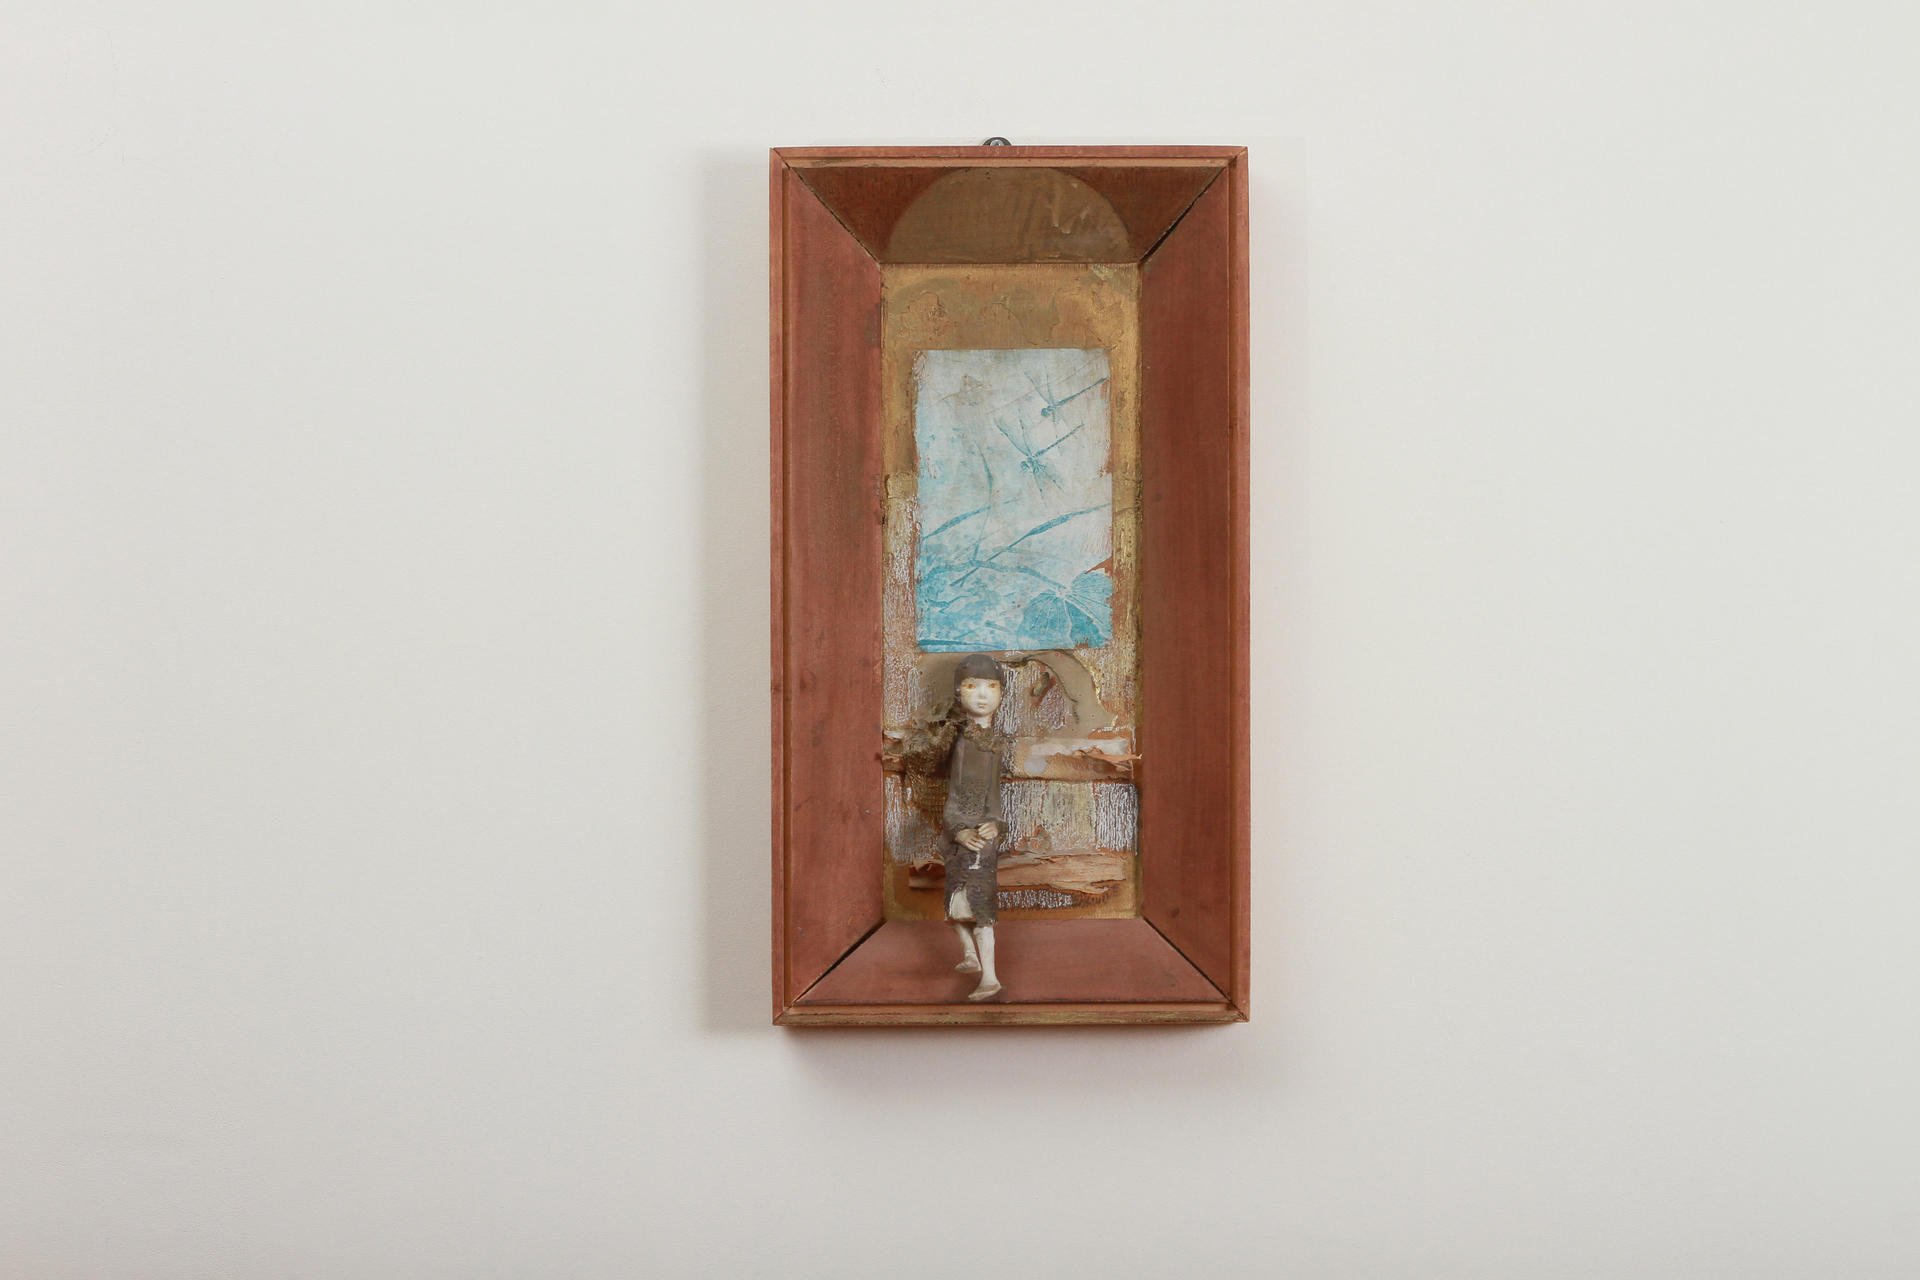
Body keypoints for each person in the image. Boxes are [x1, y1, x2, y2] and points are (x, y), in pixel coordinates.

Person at [939, 653, 1009, 1000]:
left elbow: (994, 796)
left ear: (1001, 694)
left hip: (981, 837)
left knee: (981, 907)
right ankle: (970, 955)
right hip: (959, 834)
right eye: (972, 686)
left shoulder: (994, 743)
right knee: (954, 905)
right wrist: (957, 830)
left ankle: (990, 978)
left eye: (991, 687)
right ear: (958, 692)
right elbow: (952, 796)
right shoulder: (960, 740)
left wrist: (996, 823)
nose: (982, 695)